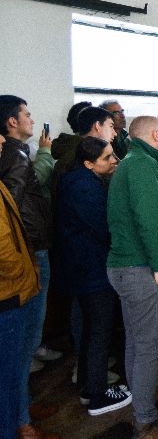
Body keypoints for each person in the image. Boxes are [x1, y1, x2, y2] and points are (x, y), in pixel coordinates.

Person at [106, 116, 158, 439]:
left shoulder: (134, 161)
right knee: (151, 345)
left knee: (138, 344)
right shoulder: (141, 165)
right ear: (156, 134)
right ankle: (147, 423)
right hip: (140, 268)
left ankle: (143, 411)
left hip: (128, 266)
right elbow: (150, 219)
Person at [55, 137, 131, 416]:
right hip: (91, 269)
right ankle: (98, 396)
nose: (114, 161)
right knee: (99, 331)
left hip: (84, 267)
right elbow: (103, 226)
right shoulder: (84, 188)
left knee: (92, 331)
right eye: (107, 158)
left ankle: (90, 389)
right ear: (88, 163)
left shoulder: (78, 180)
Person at [0, 95, 57, 439]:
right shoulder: (17, 156)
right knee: (24, 343)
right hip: (28, 255)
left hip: (27, 253)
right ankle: (20, 420)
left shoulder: (16, 155)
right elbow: (12, 213)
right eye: (27, 115)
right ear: (11, 122)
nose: (32, 120)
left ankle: (21, 406)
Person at [0, 133, 42, 439]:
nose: (2, 140)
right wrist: (21, 270)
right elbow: (3, 244)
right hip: (7, 291)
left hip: (11, 286)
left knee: (13, 366)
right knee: (8, 371)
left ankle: (19, 413)